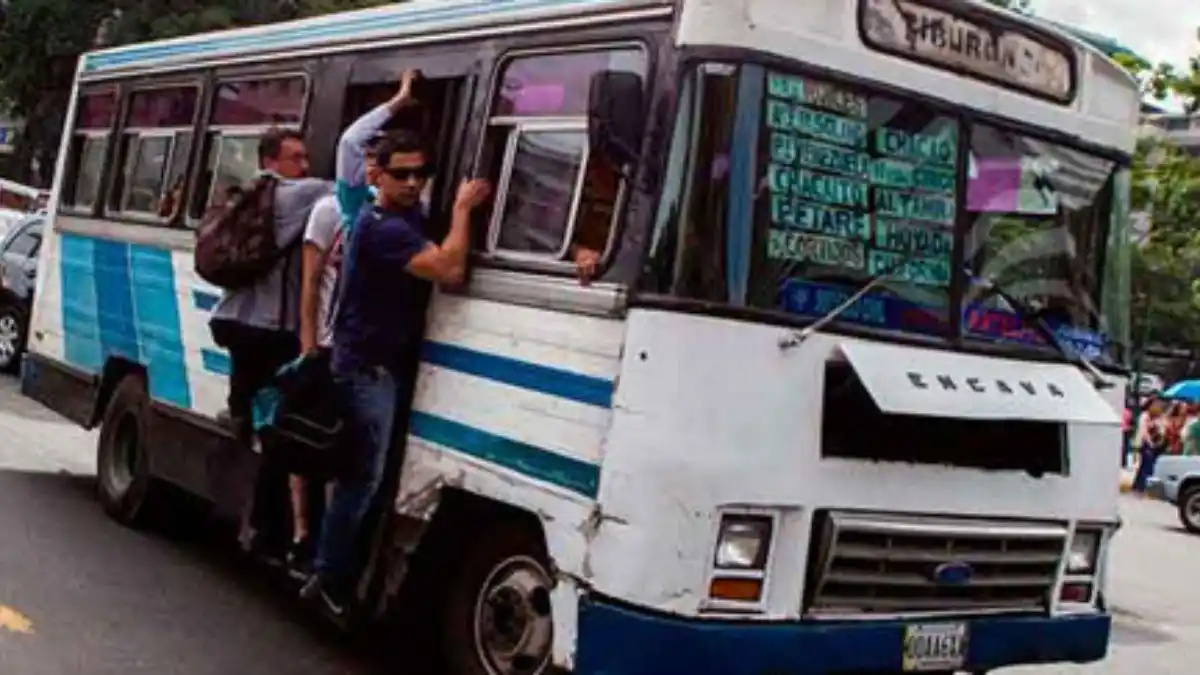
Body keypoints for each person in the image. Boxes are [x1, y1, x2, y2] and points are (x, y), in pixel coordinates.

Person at [300, 131, 491, 617]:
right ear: (376, 175)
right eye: (400, 173)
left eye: (419, 174)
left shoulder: (407, 219)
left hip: (384, 363)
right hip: (365, 368)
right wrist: (465, 210)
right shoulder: (381, 226)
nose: (411, 182)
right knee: (361, 479)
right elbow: (449, 269)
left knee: (368, 476)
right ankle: (328, 577)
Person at [208, 129, 332, 563]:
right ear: (272, 161)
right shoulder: (296, 196)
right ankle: (265, 525)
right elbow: (353, 188)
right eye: (296, 157)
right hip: (268, 329)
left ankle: (242, 417)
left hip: (233, 320)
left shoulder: (249, 195)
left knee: (258, 409)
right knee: (280, 428)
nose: (306, 165)